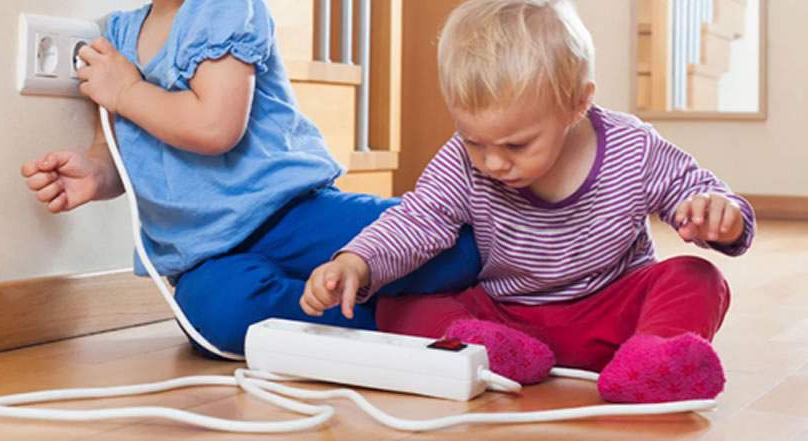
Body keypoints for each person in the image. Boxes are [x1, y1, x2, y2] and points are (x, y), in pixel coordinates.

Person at [300, 0, 755, 403]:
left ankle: (655, 361)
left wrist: (721, 216)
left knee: (697, 277)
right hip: (507, 319)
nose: (493, 162)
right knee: (398, 303)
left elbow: (693, 189)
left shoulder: (632, 148)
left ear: (577, 103)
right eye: (475, 141)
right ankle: (482, 349)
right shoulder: (461, 161)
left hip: (612, 313)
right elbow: (419, 218)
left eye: (516, 145)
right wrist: (358, 261)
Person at [20, 0, 480, 357]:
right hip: (208, 255)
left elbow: (215, 127)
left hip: (292, 213)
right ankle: (406, 319)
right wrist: (97, 173)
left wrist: (127, 90)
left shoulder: (223, 9)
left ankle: (466, 299)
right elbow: (122, 148)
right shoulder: (116, 37)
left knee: (460, 246)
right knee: (215, 318)